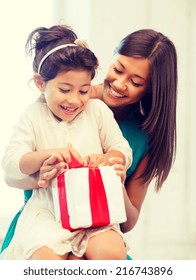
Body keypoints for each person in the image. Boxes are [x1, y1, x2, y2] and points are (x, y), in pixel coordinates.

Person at [1, 28, 177, 258]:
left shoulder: (131, 130)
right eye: (118, 69)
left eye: (136, 82)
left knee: (108, 256)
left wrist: (113, 173)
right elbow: (13, 170)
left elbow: (128, 220)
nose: (121, 84)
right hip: (46, 221)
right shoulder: (56, 103)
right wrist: (40, 171)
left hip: (99, 224)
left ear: (152, 88)